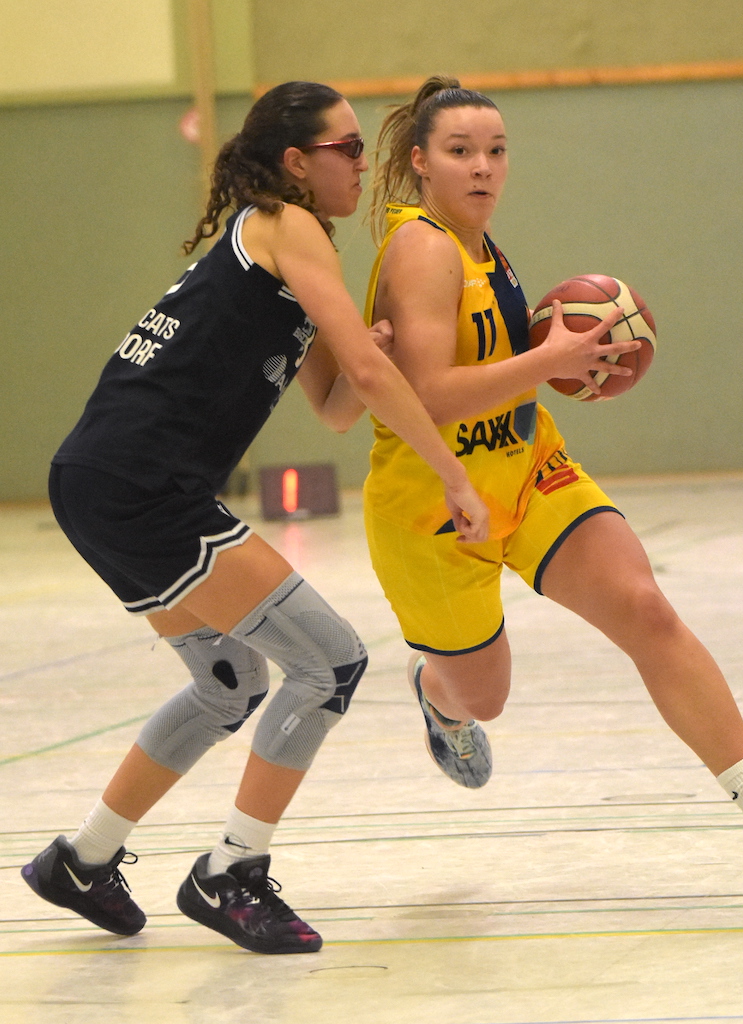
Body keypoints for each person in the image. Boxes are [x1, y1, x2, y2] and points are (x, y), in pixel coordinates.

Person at [20, 81, 489, 955]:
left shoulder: (282, 242)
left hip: (96, 479)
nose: (359, 162)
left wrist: (364, 347)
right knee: (333, 661)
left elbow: (339, 404)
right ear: (294, 163)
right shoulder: (287, 222)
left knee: (228, 683)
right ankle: (230, 872)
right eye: (345, 148)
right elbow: (380, 388)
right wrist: (454, 478)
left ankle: (79, 861)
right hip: (143, 483)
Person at [363, 75, 743, 881]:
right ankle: (437, 691)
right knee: (484, 696)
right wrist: (551, 359)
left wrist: (566, 361)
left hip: (528, 468)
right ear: (421, 163)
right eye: (460, 151)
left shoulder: (484, 248)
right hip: (432, 508)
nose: (482, 166)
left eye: (496, 151)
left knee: (645, 608)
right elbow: (425, 395)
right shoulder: (422, 248)